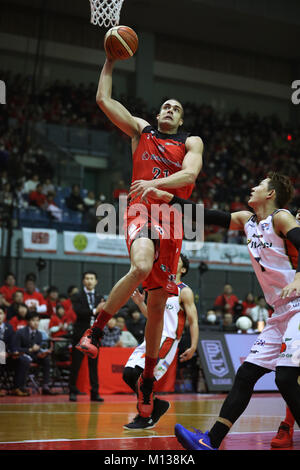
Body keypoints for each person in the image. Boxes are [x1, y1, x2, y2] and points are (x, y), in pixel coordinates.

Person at [76, 55, 203, 419]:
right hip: (140, 210)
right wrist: (109, 61)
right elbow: (104, 100)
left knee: (158, 305)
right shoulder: (141, 131)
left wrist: (156, 183)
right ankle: (96, 332)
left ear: (180, 120)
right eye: (165, 105)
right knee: (140, 265)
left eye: (176, 108)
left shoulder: (190, 142)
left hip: (174, 218)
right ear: (158, 112)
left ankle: (147, 381)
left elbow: (189, 177)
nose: (169, 109)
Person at [139, 172, 300, 450]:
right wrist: (167, 197)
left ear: (271, 194)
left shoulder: (281, 218)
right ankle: (210, 441)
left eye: (259, 185)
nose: (252, 187)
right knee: (246, 375)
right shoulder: (246, 221)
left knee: (285, 378)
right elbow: (207, 215)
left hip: (298, 306)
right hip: (278, 313)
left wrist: (298, 277)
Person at [122, 253, 199, 429]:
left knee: (144, 378)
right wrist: (141, 303)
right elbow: (153, 317)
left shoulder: (184, 291)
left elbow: (193, 321)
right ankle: (155, 405)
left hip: (168, 340)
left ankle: (145, 416)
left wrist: (193, 345)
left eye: (177, 260)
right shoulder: (159, 288)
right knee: (129, 374)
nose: (172, 260)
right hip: (151, 337)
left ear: (183, 269)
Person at [69, 271, 105, 402]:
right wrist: (96, 310)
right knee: (76, 365)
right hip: (80, 336)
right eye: (87, 278)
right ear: (83, 281)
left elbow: (103, 315)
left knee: (93, 366)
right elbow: (79, 312)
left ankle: (95, 393)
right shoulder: (77, 296)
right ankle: (72, 392)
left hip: (94, 337)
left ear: (96, 281)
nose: (89, 281)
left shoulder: (99, 297)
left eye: (92, 278)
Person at [14, 312, 53, 396]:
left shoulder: (39, 334)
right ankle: (20, 387)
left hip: (34, 356)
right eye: (33, 320)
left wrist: (42, 352)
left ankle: (45, 386)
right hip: (22, 355)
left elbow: (38, 349)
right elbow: (16, 348)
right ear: (28, 321)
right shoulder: (20, 332)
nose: (36, 323)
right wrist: (30, 349)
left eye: (38, 320)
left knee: (46, 359)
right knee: (25, 360)